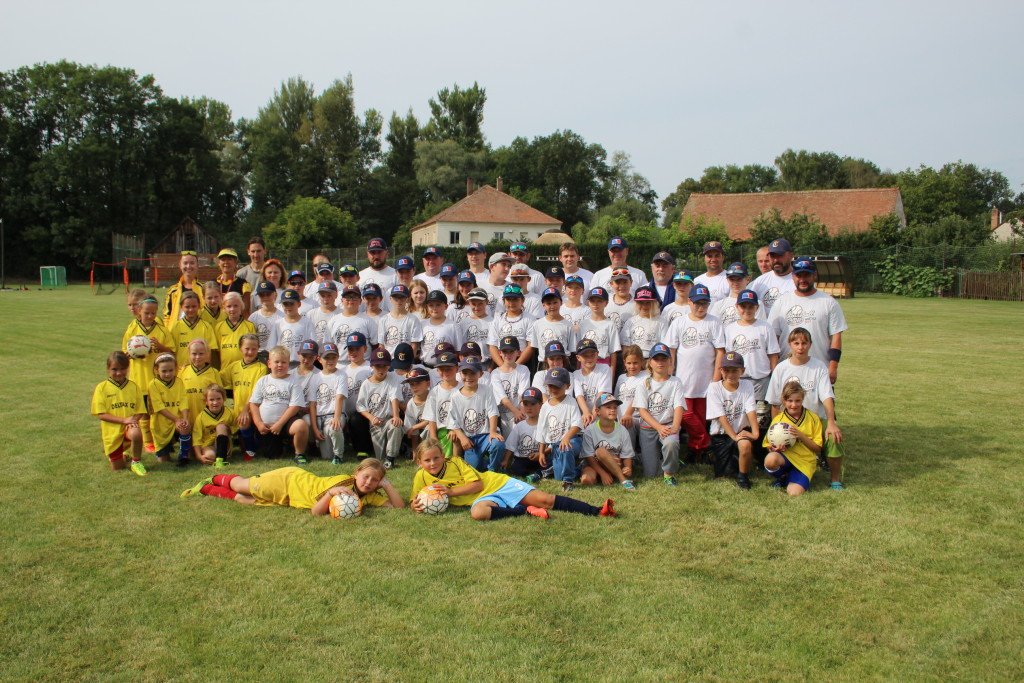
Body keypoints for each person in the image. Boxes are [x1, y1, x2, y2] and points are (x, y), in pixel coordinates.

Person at [409, 439, 615, 520]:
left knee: (546, 500)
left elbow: (478, 484)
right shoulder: (422, 477)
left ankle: (597, 510)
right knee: (478, 513)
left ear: (442, 456)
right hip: (481, 499)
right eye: (427, 460)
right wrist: (416, 505)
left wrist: (450, 492)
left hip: (495, 484)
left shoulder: (455, 463)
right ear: (419, 462)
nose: (433, 463)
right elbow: (414, 499)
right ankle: (525, 511)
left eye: (436, 457)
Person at [766, 327, 844, 490]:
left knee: (833, 437)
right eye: (796, 343)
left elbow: (827, 397)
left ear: (810, 344)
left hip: (814, 420)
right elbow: (774, 403)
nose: (800, 347)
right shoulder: (781, 368)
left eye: (804, 343)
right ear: (790, 345)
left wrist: (831, 422)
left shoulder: (819, 366)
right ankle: (785, 474)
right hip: (789, 421)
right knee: (774, 453)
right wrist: (775, 432)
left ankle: (835, 479)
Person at [180, 458, 404, 512]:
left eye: (374, 480)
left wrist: (387, 485)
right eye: (366, 477)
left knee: (244, 501)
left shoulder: (369, 493)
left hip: (291, 499)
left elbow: (398, 508)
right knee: (241, 487)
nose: (369, 482)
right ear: (356, 473)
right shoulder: (342, 483)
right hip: (288, 481)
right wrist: (332, 493)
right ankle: (215, 478)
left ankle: (205, 488)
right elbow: (317, 512)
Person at [664, 285, 725, 460]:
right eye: (697, 303)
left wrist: (715, 378)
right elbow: (672, 350)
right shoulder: (679, 322)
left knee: (700, 418)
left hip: (706, 381)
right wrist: (670, 373)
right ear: (689, 302)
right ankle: (705, 443)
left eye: (704, 304)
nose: (700, 308)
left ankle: (696, 450)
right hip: (684, 380)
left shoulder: (714, 322)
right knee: (685, 415)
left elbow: (720, 350)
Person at [768, 257, 847, 384]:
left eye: (807, 275)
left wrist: (833, 367)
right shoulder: (781, 302)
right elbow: (773, 337)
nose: (803, 279)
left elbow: (836, 336)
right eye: (799, 275)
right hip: (787, 368)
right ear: (793, 276)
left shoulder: (829, 302)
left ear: (814, 275)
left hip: (819, 368)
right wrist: (774, 366)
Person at [123, 295, 173, 451]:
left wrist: (160, 347)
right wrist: (132, 353)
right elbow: (125, 351)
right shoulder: (132, 328)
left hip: (158, 380)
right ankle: (147, 442)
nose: (150, 316)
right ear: (139, 311)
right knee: (143, 413)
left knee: (158, 412)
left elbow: (172, 351)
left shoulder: (161, 330)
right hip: (139, 378)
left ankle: (162, 441)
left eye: (153, 313)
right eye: (147, 313)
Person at [632, 343, 685, 484]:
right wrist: (658, 427)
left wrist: (675, 427)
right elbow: (642, 411)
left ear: (670, 361)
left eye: (664, 359)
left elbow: (679, 406)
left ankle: (669, 473)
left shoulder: (676, 382)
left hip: (668, 425)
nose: (660, 362)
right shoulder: (643, 383)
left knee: (671, 444)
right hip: (649, 429)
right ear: (650, 362)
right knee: (651, 475)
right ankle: (670, 460)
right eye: (656, 359)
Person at [706, 352, 759, 489]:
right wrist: (734, 436)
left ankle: (743, 477)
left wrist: (755, 433)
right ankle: (715, 455)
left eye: (735, 370)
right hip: (721, 435)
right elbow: (721, 416)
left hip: (741, 431)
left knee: (745, 445)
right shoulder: (714, 388)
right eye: (727, 370)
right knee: (724, 474)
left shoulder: (747, 386)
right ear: (721, 371)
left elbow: (751, 410)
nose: (730, 374)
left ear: (742, 371)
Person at [763, 380, 823, 497]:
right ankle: (783, 475)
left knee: (794, 493)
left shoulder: (813, 418)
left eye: (797, 401)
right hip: (786, 458)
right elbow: (768, 445)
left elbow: (817, 448)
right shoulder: (778, 420)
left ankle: (788, 478)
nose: (794, 405)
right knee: (770, 460)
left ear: (802, 399)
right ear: (784, 401)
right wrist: (774, 449)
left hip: (804, 461)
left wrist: (801, 435)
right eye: (790, 401)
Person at [92, 351, 147, 476]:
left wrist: (133, 421)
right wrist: (123, 420)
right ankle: (124, 455)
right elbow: (101, 414)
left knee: (136, 433)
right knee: (118, 469)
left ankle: (136, 462)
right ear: (108, 369)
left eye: (122, 369)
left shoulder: (134, 387)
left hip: (129, 428)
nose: (119, 373)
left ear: (128, 369)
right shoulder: (101, 388)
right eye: (114, 369)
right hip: (112, 433)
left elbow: (141, 411)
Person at [249, 346, 309, 461]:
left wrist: (280, 424)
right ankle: (283, 446)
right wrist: (259, 423)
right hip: (265, 427)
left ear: (288, 364)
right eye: (276, 362)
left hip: (286, 424)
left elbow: (295, 406)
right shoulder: (263, 381)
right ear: (269, 363)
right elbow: (254, 404)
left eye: (284, 362)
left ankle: (299, 454)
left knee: (301, 425)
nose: (280, 365)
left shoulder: (293, 381)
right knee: (272, 456)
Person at [725, 289, 779, 412]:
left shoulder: (765, 327)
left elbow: (773, 355)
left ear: (757, 307)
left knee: (761, 417)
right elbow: (728, 356)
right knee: (739, 414)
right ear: (737, 307)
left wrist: (774, 377)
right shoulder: (730, 329)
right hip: (738, 380)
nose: (747, 310)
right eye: (743, 306)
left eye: (751, 306)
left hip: (761, 380)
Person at [446, 359, 504, 472]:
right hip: (469, 438)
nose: (469, 377)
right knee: (474, 468)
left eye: (473, 373)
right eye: (465, 373)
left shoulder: (486, 390)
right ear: (459, 373)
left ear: (480, 374)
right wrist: (463, 438)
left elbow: (493, 412)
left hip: (485, 435)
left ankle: (493, 471)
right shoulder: (455, 396)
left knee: (498, 444)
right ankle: (484, 464)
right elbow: (453, 422)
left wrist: (492, 431)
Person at [535, 367, 583, 492]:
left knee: (566, 447)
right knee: (558, 477)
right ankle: (579, 467)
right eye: (551, 386)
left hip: (573, 441)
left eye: (557, 386)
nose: (553, 389)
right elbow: (541, 431)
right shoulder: (545, 406)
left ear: (567, 386)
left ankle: (568, 481)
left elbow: (577, 424)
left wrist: (566, 437)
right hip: (555, 445)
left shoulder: (571, 401)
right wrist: (541, 452)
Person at [354, 348, 403, 468]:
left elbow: (394, 397)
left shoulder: (393, 377)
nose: (381, 369)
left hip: (388, 418)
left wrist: (396, 416)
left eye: (384, 366)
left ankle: (390, 459)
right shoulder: (366, 384)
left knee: (395, 425)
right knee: (379, 457)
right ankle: (386, 455)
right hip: (375, 422)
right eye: (378, 366)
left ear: (389, 365)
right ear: (372, 366)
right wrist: (371, 418)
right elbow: (360, 406)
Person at [220, 333, 266, 461]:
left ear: (258, 349)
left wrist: (246, 410)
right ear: (240, 348)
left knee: (244, 421)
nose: (250, 352)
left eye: (254, 349)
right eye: (247, 348)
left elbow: (256, 393)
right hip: (236, 408)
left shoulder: (261, 368)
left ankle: (251, 451)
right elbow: (218, 377)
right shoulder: (234, 366)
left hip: (253, 408)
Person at [580, 393, 636, 489]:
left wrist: (628, 468)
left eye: (615, 407)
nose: (613, 410)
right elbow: (589, 457)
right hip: (595, 465)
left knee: (601, 451)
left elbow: (627, 454)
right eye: (608, 407)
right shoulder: (590, 430)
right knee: (586, 479)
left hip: (616, 463)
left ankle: (623, 480)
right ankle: (609, 476)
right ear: (597, 411)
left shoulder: (622, 430)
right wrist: (602, 473)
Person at [148, 353, 193, 465]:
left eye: (171, 370)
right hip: (161, 425)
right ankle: (166, 450)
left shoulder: (178, 382)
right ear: (156, 369)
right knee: (164, 461)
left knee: (185, 427)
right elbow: (159, 407)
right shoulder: (153, 384)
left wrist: (185, 418)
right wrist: (176, 419)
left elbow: (183, 401)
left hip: (176, 422)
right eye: (164, 371)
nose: (168, 374)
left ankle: (183, 456)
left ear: (175, 369)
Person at [307, 342, 346, 465]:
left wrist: (336, 417)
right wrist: (314, 428)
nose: (330, 361)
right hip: (319, 417)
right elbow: (312, 404)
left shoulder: (341, 375)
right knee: (326, 457)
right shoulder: (314, 377)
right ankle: (316, 449)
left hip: (334, 415)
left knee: (335, 427)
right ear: (319, 359)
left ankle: (339, 455)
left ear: (338, 358)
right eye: (326, 358)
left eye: (333, 357)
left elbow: (339, 398)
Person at [338, 332, 373, 455]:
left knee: (356, 419)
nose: (353, 352)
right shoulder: (342, 371)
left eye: (357, 348)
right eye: (350, 349)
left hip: (366, 412)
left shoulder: (370, 368)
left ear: (365, 348)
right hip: (347, 412)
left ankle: (363, 450)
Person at [491, 335, 532, 437]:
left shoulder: (523, 370)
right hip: (504, 415)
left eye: (511, 351)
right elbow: (503, 399)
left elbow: (523, 395)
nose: (508, 355)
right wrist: (516, 413)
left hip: (521, 410)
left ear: (518, 352)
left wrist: (521, 414)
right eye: (505, 352)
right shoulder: (495, 373)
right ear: (500, 353)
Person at [486, 284, 535, 368]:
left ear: (522, 300)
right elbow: (492, 346)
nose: (512, 303)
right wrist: (503, 367)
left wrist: (516, 366)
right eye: (508, 299)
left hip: (522, 362)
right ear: (503, 301)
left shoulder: (530, 319)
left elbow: (531, 346)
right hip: (500, 362)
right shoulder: (497, 320)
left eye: (515, 299)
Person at [168, 291, 219, 369]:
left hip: (202, 370)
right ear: (181, 307)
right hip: (181, 371)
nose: (191, 309)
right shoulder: (176, 327)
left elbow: (211, 351)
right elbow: (172, 351)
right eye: (187, 307)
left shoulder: (206, 326)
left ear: (199, 305)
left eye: (194, 306)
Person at [423, 350, 460, 458]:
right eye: (441, 369)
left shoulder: (462, 389)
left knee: (454, 437)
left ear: (457, 368)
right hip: (440, 431)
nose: (445, 372)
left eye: (449, 369)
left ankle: (456, 463)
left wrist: (454, 429)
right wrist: (434, 437)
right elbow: (432, 418)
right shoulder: (434, 392)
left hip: (459, 430)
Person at [501, 388, 544, 478]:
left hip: (539, 457)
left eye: (533, 404)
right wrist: (505, 460)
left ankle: (538, 474)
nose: (529, 407)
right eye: (525, 404)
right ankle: (534, 474)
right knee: (517, 470)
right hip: (522, 458)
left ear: (540, 404)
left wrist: (541, 454)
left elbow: (549, 444)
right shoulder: (520, 426)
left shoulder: (544, 424)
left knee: (545, 465)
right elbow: (510, 445)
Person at [528, 287, 576, 367]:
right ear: (543, 305)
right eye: (548, 303)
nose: (552, 306)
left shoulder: (568, 325)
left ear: (561, 302)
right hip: (545, 364)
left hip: (562, 363)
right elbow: (535, 348)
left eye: (555, 302)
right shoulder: (537, 324)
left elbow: (571, 349)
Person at [191, 384, 235, 467]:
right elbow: (197, 439)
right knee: (209, 456)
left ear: (224, 399)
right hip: (209, 445)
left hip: (225, 444)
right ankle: (216, 457)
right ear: (206, 401)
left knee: (221, 426)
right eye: (211, 400)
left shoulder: (230, 412)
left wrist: (228, 428)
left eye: (218, 399)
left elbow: (236, 428)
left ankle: (220, 460)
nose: (215, 402)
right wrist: (199, 456)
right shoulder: (200, 417)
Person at [328, 286, 377, 360]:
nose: (351, 300)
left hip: (363, 365)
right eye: (347, 297)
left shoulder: (368, 321)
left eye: (354, 297)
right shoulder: (333, 321)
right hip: (339, 364)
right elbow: (328, 345)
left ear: (360, 301)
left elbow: (376, 345)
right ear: (342, 300)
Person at [749, 238, 796, 314]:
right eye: (772, 256)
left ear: (791, 255)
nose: (776, 260)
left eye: (780, 255)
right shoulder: (760, 282)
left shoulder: (799, 280)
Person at [573, 339, 613, 427]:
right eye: (585, 356)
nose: (589, 358)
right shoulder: (575, 374)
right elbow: (579, 396)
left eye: (592, 355)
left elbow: (602, 394)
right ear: (578, 358)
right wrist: (586, 412)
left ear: (597, 354)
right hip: (584, 416)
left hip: (600, 414)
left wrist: (594, 414)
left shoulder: (605, 369)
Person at [578, 286, 620, 369]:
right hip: (585, 364)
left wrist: (611, 377)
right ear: (588, 302)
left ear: (606, 303)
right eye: (592, 301)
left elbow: (613, 353)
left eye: (599, 301)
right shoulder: (583, 324)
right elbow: (579, 350)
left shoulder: (610, 324)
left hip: (603, 364)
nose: (595, 304)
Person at [614, 344, 645, 454]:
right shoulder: (621, 377)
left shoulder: (646, 376)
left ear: (642, 361)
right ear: (624, 363)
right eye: (629, 363)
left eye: (635, 362)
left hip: (638, 417)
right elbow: (616, 397)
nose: (632, 366)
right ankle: (629, 457)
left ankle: (636, 454)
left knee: (628, 422)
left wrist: (627, 414)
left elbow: (639, 397)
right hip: (622, 418)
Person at [378, 284, 423, 357]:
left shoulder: (413, 320)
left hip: (405, 361)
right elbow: (381, 345)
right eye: (396, 298)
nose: (399, 301)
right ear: (390, 299)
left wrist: (409, 361)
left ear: (407, 299)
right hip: (389, 361)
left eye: (402, 298)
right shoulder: (383, 320)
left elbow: (414, 345)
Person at [215, 292, 257, 370]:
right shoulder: (219, 327)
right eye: (229, 306)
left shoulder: (249, 326)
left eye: (235, 306)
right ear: (224, 308)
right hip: (225, 369)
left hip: (244, 370)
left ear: (241, 306)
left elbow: (252, 349)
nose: (232, 309)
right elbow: (217, 352)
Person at [162, 250, 205, 327]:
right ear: (180, 265)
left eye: (192, 263)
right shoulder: (173, 290)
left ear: (197, 265)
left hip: (199, 331)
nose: (188, 266)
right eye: (185, 263)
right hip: (177, 332)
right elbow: (167, 315)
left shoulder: (204, 289)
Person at [420, 291, 461, 368]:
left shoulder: (453, 326)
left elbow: (458, 351)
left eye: (438, 305)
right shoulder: (422, 325)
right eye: (431, 305)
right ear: (427, 307)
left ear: (446, 306)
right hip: (426, 366)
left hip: (446, 367)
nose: (434, 308)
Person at [274, 289, 314, 364]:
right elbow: (272, 347)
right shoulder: (278, 324)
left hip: (302, 363)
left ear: (299, 304)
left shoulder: (307, 322)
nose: (288, 307)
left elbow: (312, 345)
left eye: (291, 304)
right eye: (285, 304)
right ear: (282, 305)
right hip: (283, 364)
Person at [621, 285, 661, 358]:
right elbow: (625, 346)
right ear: (636, 303)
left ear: (654, 303)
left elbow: (663, 345)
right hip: (634, 360)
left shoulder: (661, 322)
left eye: (648, 303)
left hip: (653, 359)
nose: (644, 306)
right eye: (641, 303)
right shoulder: (630, 322)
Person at [402, 367, 432, 455]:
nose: (415, 387)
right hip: (421, 433)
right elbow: (412, 432)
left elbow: (430, 420)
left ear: (428, 384)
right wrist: (415, 452)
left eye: (418, 383)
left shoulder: (433, 397)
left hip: (436, 431)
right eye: (412, 384)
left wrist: (415, 427)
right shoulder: (411, 404)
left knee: (429, 428)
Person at [215, 248, 252, 316]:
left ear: (235, 263)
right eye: (223, 259)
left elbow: (245, 307)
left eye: (229, 259)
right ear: (219, 263)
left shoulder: (243, 283)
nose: (226, 262)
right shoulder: (212, 284)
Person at [248, 282, 282, 352]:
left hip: (276, 354)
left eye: (268, 294)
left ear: (275, 295)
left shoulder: (282, 316)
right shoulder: (253, 317)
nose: (265, 297)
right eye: (262, 295)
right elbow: (250, 339)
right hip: (258, 354)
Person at [305, 281, 340, 348]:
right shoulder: (311, 314)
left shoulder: (341, 314)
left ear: (336, 295)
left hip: (333, 354)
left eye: (329, 295)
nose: (325, 299)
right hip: (314, 353)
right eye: (322, 296)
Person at [480, 252, 512, 316]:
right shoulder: (480, 286)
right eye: (503, 264)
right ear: (492, 267)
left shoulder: (512, 288)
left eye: (509, 266)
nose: (507, 269)